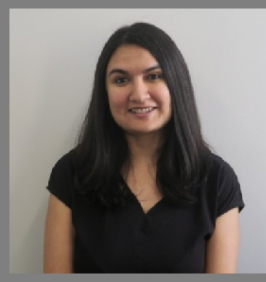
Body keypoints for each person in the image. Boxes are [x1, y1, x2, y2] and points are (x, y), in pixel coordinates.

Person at [43, 22, 244, 273]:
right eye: (121, 79)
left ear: (176, 84)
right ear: (104, 92)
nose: (138, 94)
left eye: (154, 76)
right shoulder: (70, 174)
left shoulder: (218, 180)